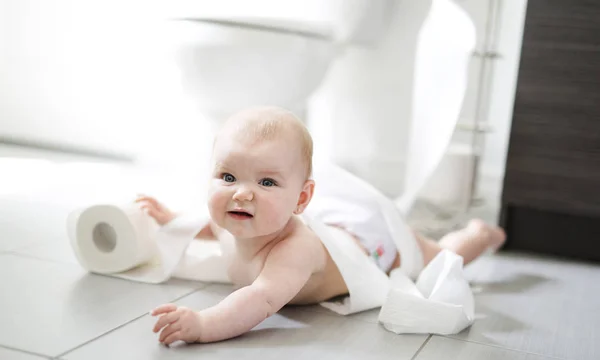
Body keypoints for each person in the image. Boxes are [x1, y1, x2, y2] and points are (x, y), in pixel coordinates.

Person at [136, 106, 506, 345]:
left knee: (438, 258)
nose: (241, 195)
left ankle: (476, 235)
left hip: (371, 248)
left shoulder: (294, 250)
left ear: (300, 199)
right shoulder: (235, 217)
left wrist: (204, 325)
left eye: (266, 183)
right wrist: (173, 220)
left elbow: (260, 299)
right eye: (228, 176)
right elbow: (209, 225)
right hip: (335, 226)